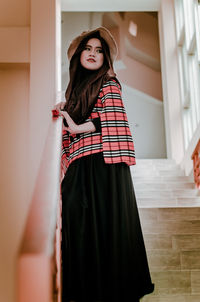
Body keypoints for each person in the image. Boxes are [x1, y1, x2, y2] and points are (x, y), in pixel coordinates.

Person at [53, 27, 154, 302]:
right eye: (88, 49)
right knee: (77, 222)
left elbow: (106, 118)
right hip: (78, 164)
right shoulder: (74, 91)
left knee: (104, 227)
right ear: (78, 55)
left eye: (99, 50)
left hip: (103, 163)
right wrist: (68, 113)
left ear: (105, 58)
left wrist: (75, 126)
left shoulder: (109, 83)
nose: (93, 54)